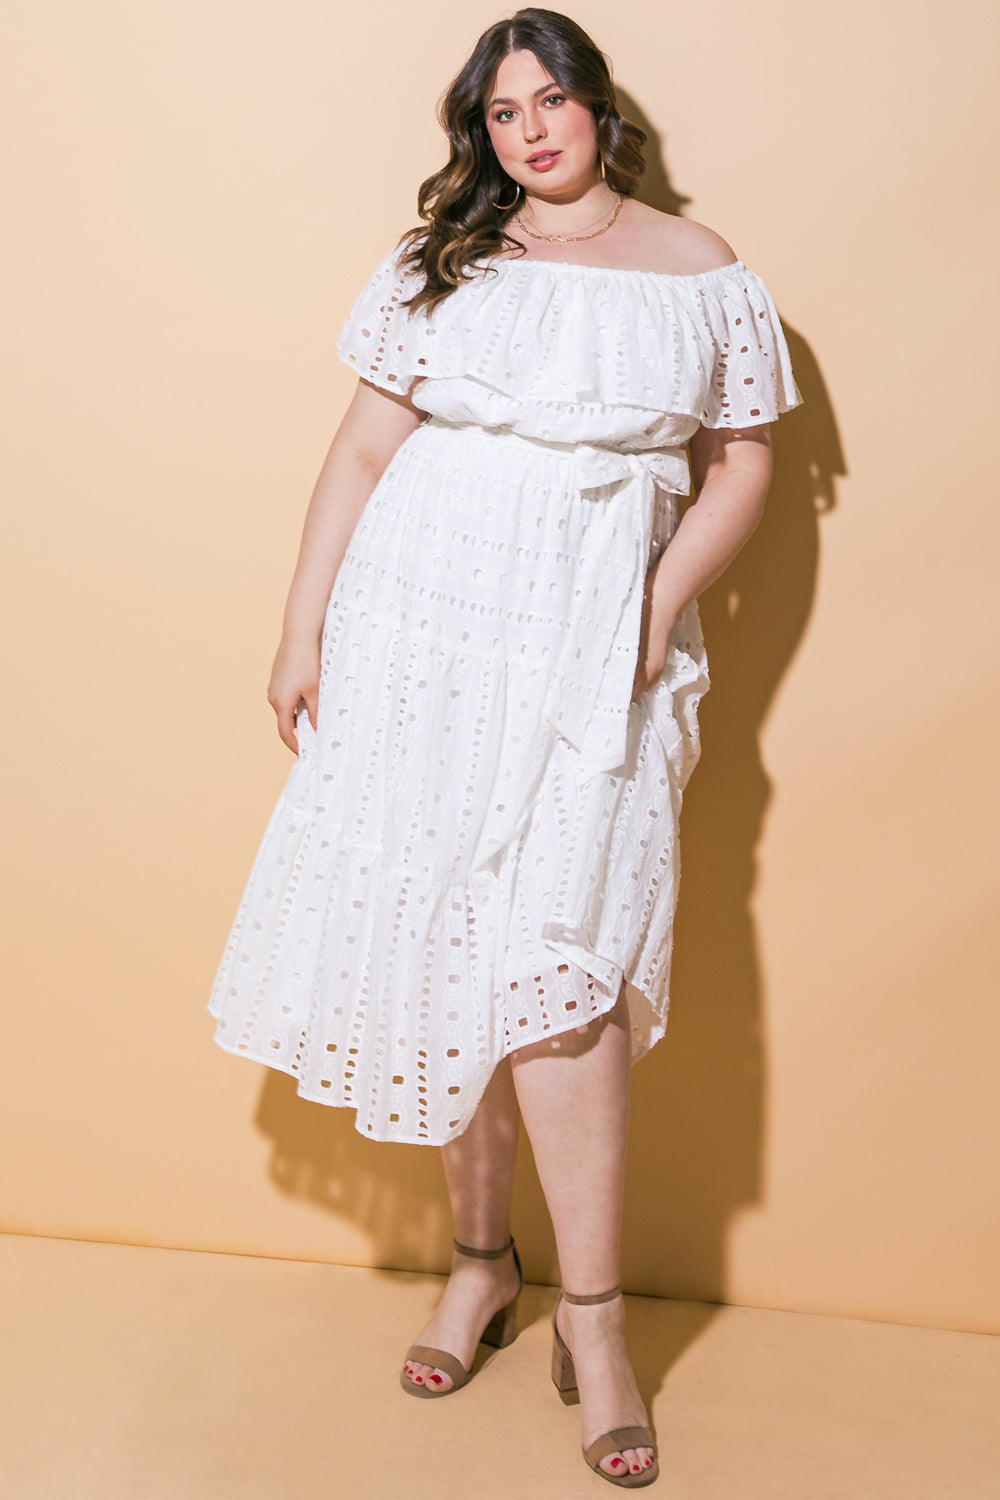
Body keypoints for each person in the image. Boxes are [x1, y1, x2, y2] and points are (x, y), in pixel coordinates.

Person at [207, 7, 802, 1487]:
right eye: (502, 113)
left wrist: (653, 608)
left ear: (601, 107)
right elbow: (359, 451)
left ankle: (592, 1322)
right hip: (418, 638)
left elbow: (743, 466)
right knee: (446, 944)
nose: (532, 130)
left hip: (590, 647)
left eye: (554, 100)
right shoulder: (443, 267)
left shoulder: (700, 268)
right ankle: (481, 1264)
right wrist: (303, 634)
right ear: (479, 135)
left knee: (565, 968)